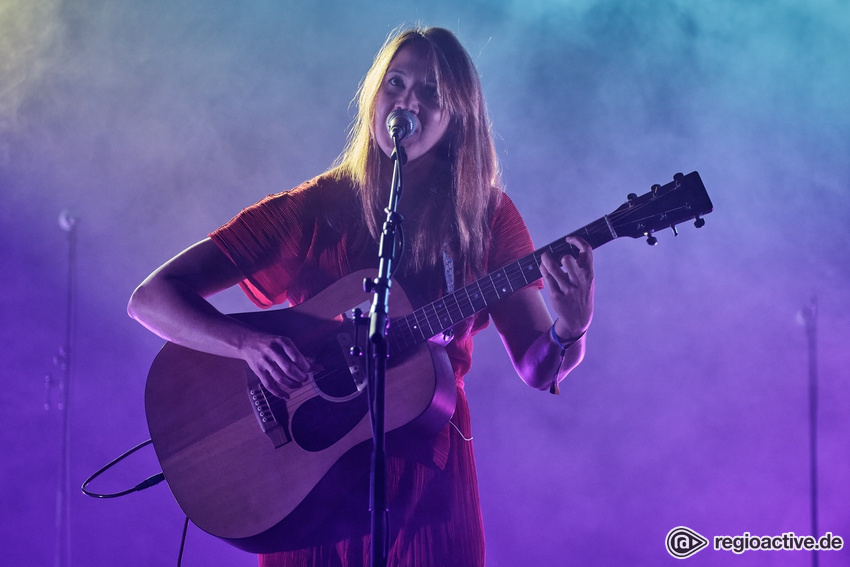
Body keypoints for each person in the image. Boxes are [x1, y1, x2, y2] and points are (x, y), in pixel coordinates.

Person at [128, 25, 594, 567]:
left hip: (427, 477)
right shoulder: (315, 206)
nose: (407, 101)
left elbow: (541, 369)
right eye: (395, 83)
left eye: (430, 93)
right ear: (374, 96)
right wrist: (247, 345)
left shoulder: (488, 217)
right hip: (310, 481)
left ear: (457, 117)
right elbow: (151, 298)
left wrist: (571, 328)